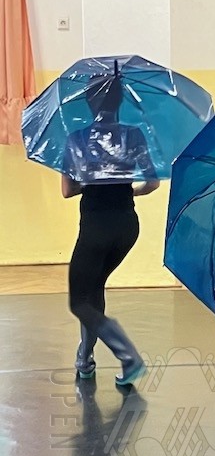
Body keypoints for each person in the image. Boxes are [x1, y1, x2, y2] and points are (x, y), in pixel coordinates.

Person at [62, 77, 159, 385]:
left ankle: (127, 355)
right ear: (120, 101)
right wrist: (130, 190)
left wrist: (91, 183)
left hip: (95, 228)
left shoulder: (77, 139)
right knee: (93, 291)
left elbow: (67, 190)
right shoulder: (134, 135)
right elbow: (152, 182)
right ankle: (85, 358)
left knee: (80, 301)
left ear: (89, 103)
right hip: (127, 226)